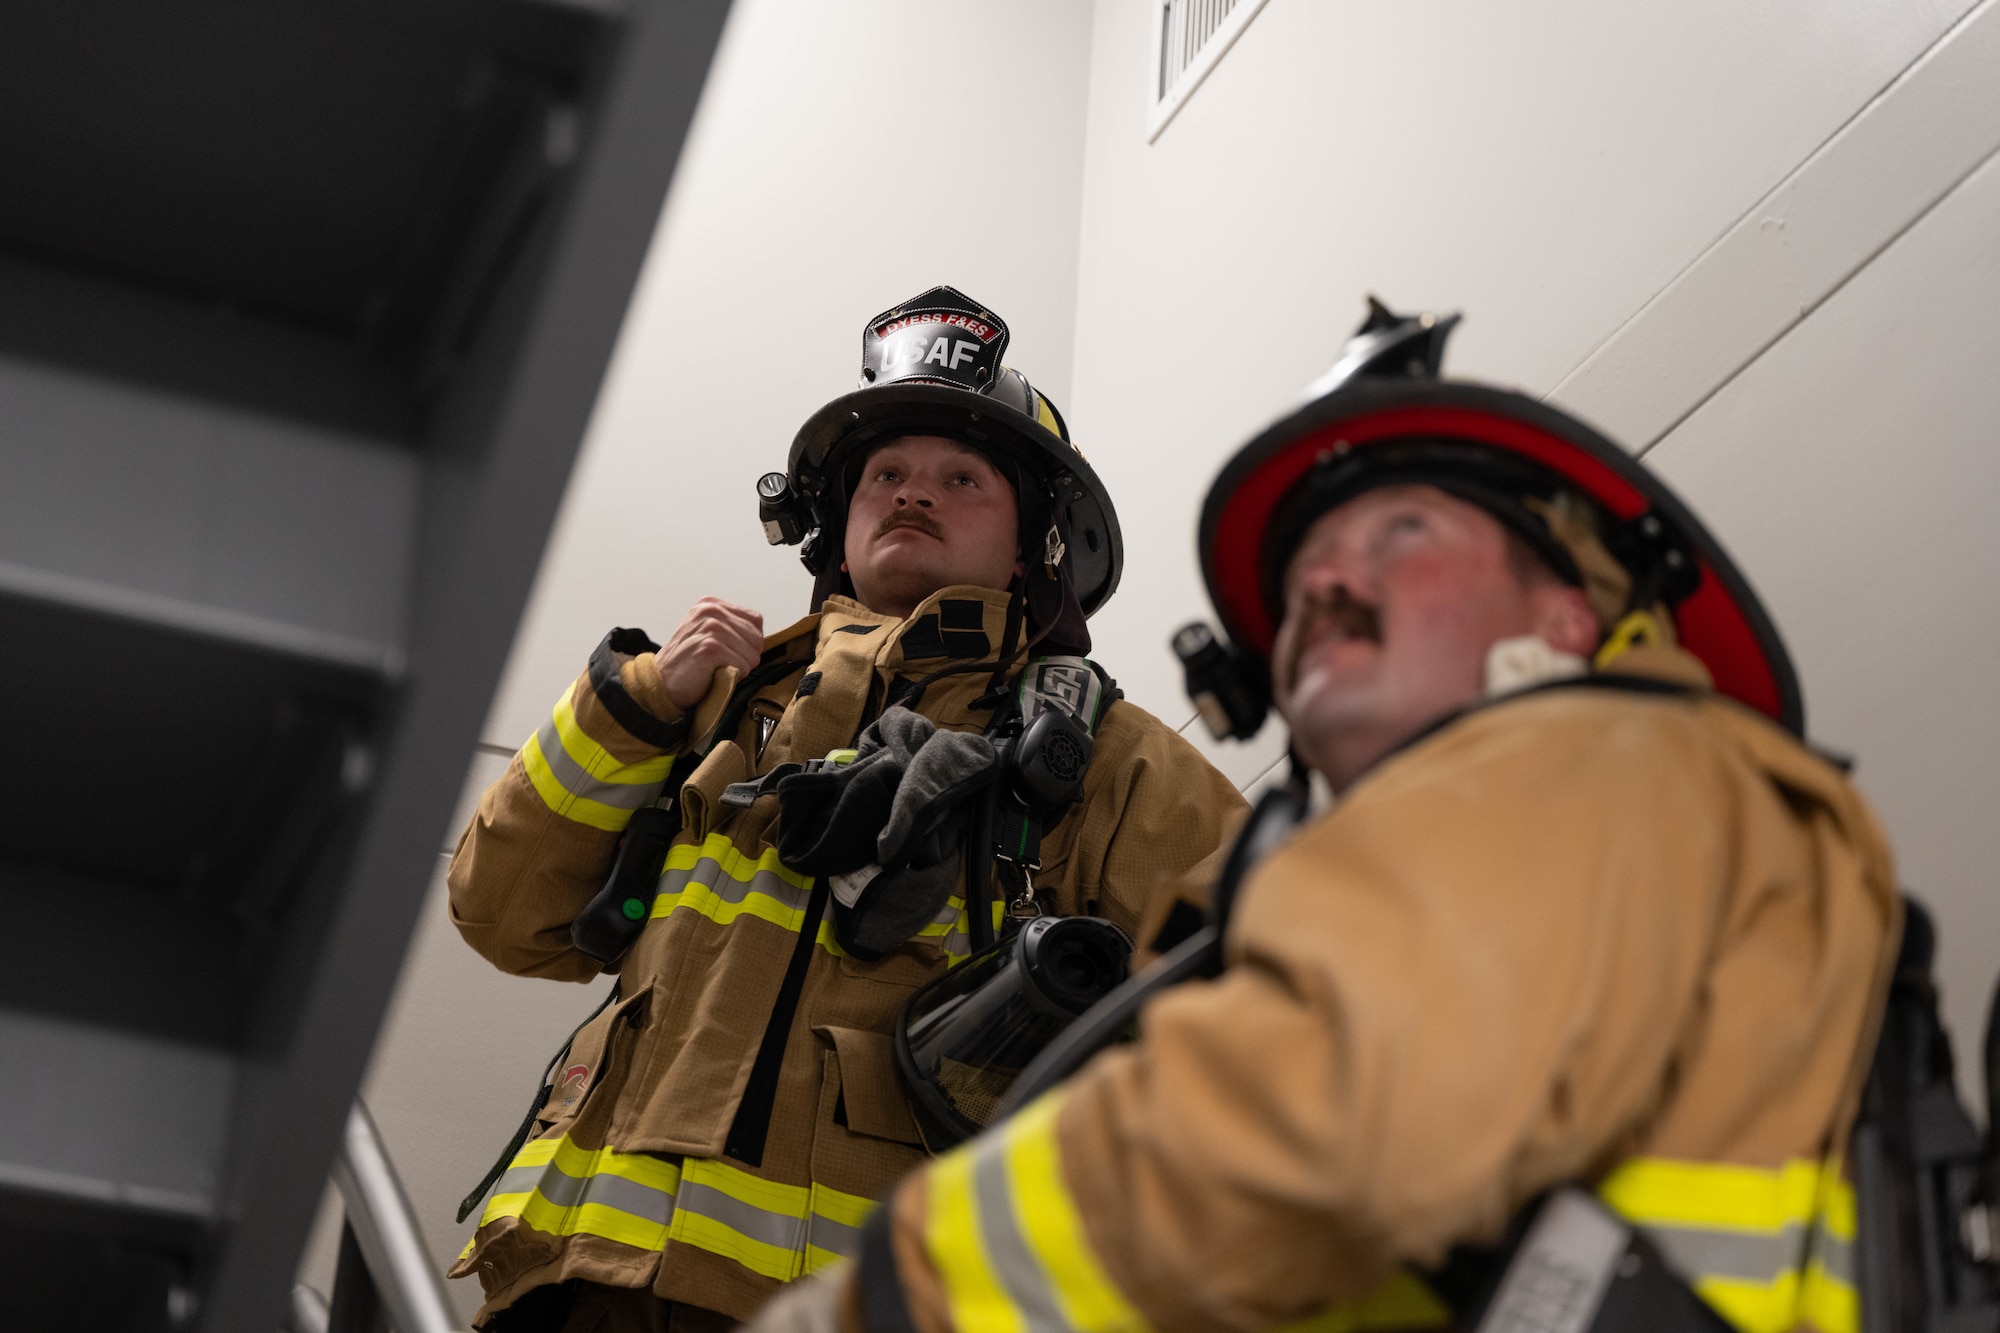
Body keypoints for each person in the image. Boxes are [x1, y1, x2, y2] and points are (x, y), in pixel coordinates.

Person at [746, 300, 1900, 1333]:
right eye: (1302, 578)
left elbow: (1326, 1102)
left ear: (1561, 620)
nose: (1330, 584)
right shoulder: (1429, 847)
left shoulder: (1619, 766)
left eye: (1399, 534)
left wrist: (883, 1302)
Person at [446, 285, 1249, 1332]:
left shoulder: (1103, 757)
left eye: (961, 478)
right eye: (887, 475)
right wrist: (629, 706)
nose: (913, 494)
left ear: (1029, 549)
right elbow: (500, 914)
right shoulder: (701, 701)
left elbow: (1284, 1011)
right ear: (835, 521)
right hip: (576, 1290)